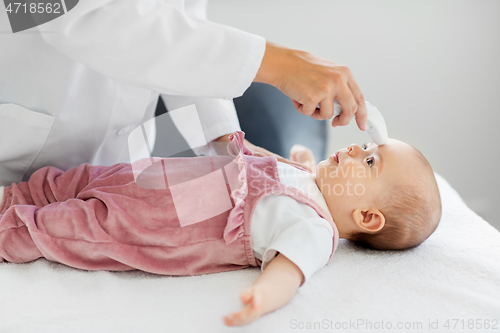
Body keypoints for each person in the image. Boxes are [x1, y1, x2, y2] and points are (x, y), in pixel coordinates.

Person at [0, 131, 441, 326]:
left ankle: (11, 230)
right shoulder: (310, 180)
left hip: (163, 223)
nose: (355, 148)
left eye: (369, 160)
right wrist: (296, 156)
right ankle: (15, 197)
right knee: (79, 179)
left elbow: (288, 274)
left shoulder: (314, 229)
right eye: (366, 145)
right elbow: (277, 165)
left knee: (77, 227)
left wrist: (262, 299)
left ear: (366, 218)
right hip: (154, 176)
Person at [0, 0, 367, 186]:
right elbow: (76, 18)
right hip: (14, 158)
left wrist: (228, 142)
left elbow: (182, 28)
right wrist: (278, 64)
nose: (354, 152)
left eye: (370, 160)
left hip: (113, 178)